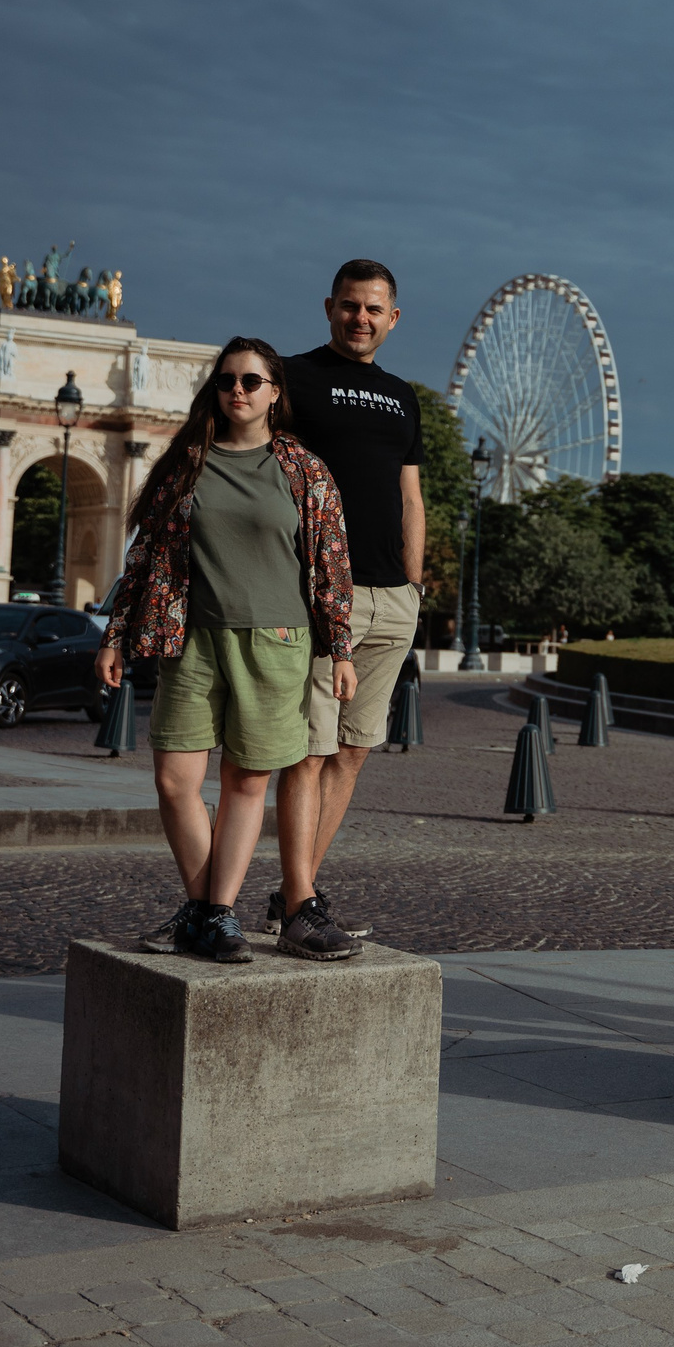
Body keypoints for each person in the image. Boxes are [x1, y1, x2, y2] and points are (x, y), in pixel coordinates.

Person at [98, 337, 356, 963]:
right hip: (189, 639)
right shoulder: (186, 463)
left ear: (274, 393)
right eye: (225, 381)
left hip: (279, 640)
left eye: (250, 380)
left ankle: (214, 917)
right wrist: (116, 632)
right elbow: (144, 557)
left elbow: (331, 562)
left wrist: (341, 647)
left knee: (245, 780)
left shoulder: (303, 469)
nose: (236, 390)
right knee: (174, 780)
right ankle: (210, 909)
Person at [271, 259, 427, 954]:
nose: (360, 318)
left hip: (394, 599)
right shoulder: (293, 380)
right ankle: (302, 901)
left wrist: (416, 589)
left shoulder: (404, 398)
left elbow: (411, 497)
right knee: (308, 751)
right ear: (328, 307)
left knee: (354, 752)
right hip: (321, 594)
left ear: (393, 319)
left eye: (373, 309)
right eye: (349, 306)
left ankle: (296, 891)